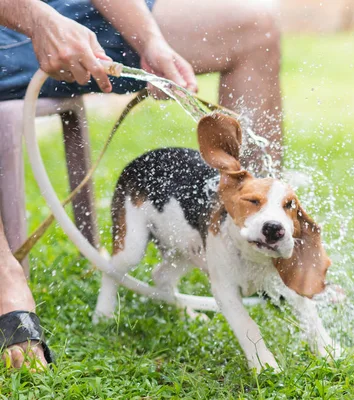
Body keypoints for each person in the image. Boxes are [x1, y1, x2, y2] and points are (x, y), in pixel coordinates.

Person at [0, 0, 282, 369]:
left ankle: (257, 239)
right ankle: (6, 278)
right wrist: (37, 18)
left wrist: (150, 39)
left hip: (74, 9)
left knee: (255, 27)